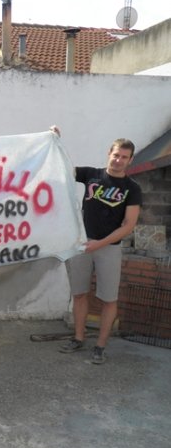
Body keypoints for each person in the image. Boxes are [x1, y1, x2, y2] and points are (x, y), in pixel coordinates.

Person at [59, 136, 142, 364]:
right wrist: (55, 140)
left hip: (109, 248)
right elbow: (60, 167)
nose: (118, 160)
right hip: (81, 244)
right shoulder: (91, 174)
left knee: (108, 299)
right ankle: (78, 338)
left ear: (130, 160)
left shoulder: (132, 188)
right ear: (109, 153)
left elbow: (129, 225)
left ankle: (100, 346)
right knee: (79, 294)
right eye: (116, 155)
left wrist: (100, 243)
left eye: (124, 157)